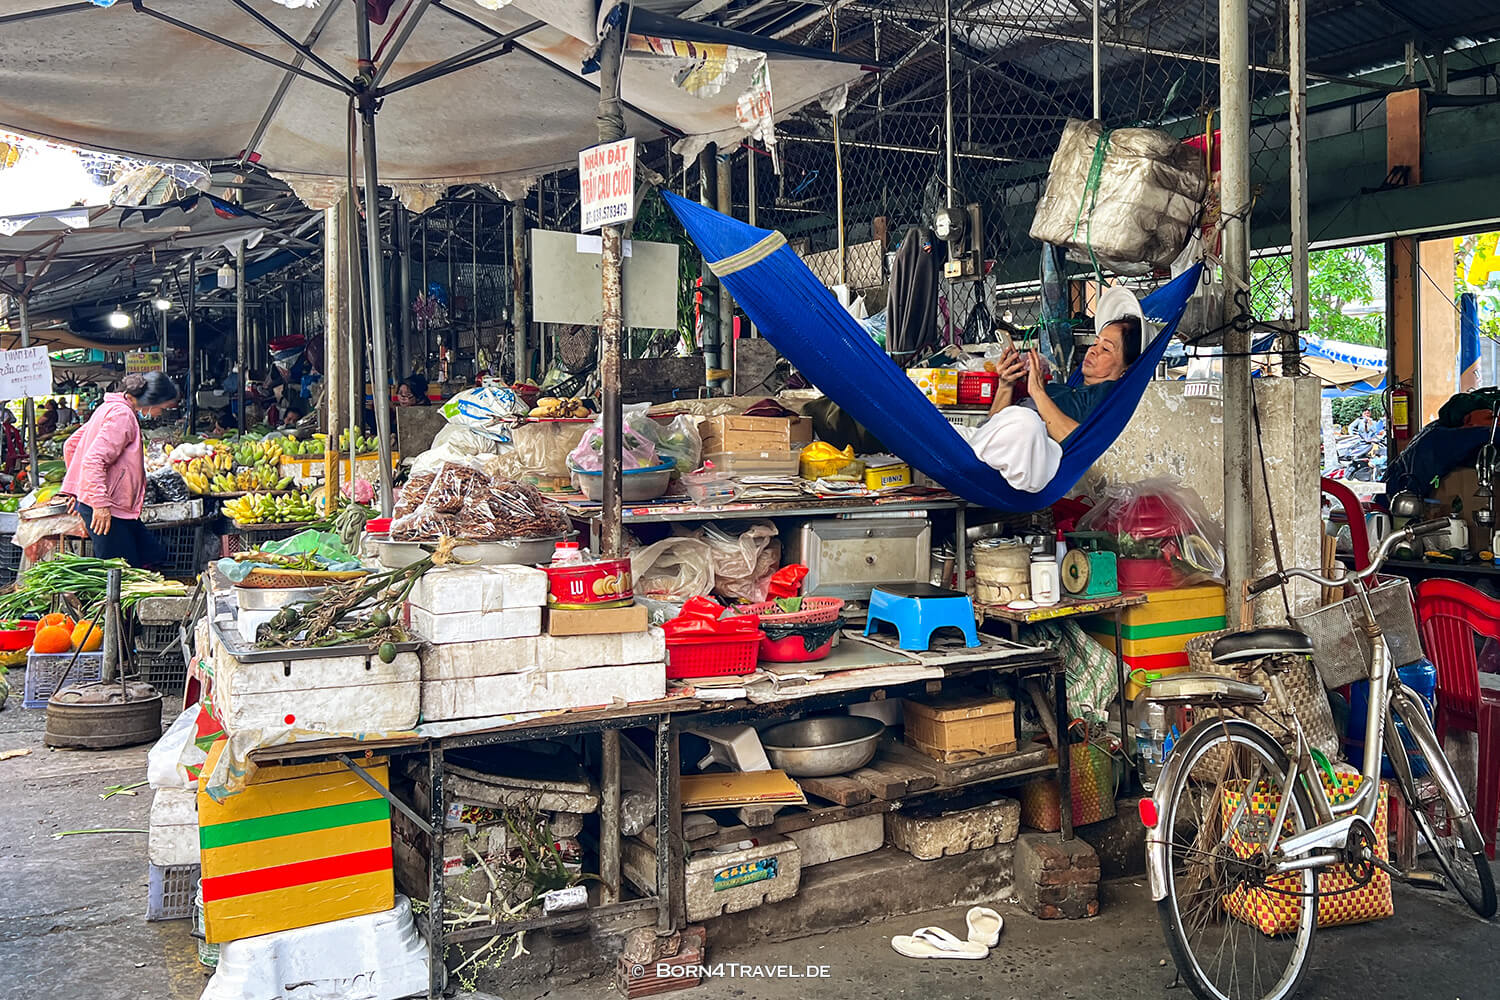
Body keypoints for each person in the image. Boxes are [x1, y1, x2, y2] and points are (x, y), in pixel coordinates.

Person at [953, 286, 1145, 491]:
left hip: (1027, 464)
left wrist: (1038, 393)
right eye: (1096, 343)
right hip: (991, 447)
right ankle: (964, 457)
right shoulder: (1062, 389)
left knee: (1027, 422)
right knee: (938, 427)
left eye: (1106, 349)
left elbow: (1080, 445)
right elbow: (993, 424)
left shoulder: (1109, 399)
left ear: (1127, 368)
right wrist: (1006, 384)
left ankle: (967, 460)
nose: (1093, 351)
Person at [60, 372, 181, 568]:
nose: (161, 413)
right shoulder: (122, 416)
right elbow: (93, 459)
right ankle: (110, 599)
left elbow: (71, 445)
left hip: (113, 506)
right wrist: (98, 503)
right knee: (120, 571)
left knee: (152, 554)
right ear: (149, 401)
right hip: (107, 507)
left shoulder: (108, 408)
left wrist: (79, 489)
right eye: (162, 407)